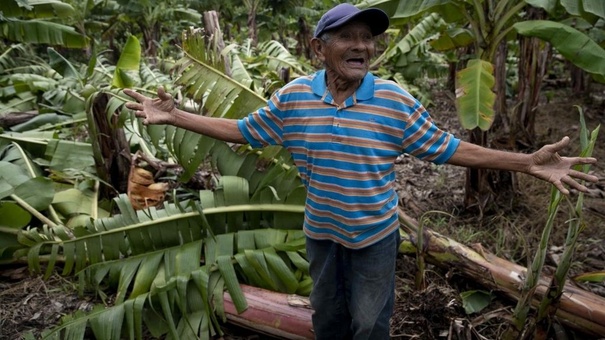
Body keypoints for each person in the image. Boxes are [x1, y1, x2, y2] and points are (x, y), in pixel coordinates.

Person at [124, 3, 598, 339]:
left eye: (367, 38)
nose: (361, 46)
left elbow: (447, 148)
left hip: (374, 236)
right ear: (319, 49)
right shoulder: (294, 97)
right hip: (322, 233)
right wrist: (176, 115)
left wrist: (526, 163)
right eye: (347, 37)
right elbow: (246, 129)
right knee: (327, 320)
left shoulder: (393, 100)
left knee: (370, 325)